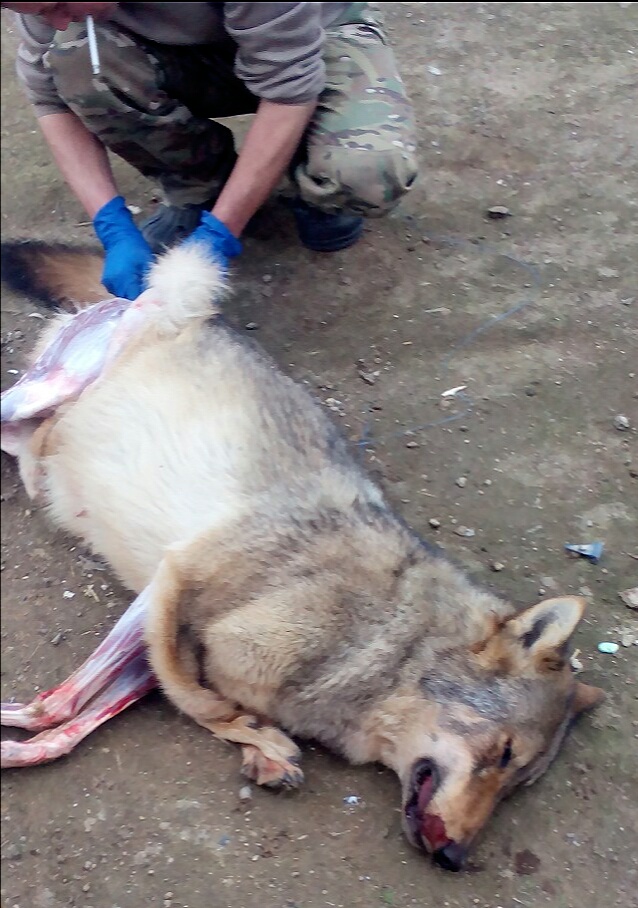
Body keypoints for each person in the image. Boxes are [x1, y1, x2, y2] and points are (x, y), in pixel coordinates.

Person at [2, 2, 418, 300]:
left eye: (58, 5)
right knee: (73, 61)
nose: (56, 19)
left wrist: (221, 232)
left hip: (316, 35)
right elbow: (49, 98)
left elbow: (289, 88)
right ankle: (201, 187)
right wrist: (110, 223)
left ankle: (310, 181)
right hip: (192, 51)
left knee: (367, 170)